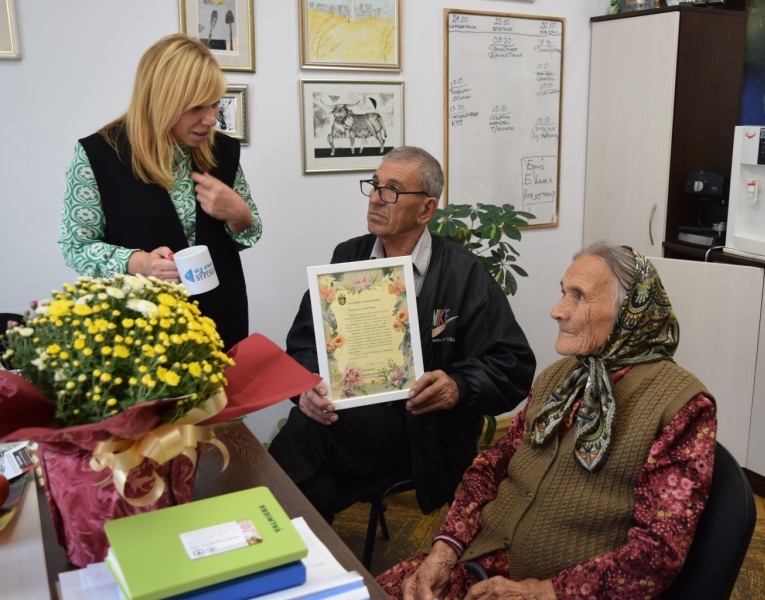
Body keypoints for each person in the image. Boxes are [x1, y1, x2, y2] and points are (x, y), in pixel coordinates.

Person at [377, 243, 718, 600]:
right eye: (562, 292)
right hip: (473, 563)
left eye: (579, 296)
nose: (557, 311)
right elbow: (490, 468)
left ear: (630, 311)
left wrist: (541, 592)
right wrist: (444, 553)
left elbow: (656, 555)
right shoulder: (561, 378)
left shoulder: (683, 406)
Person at [268, 146, 536, 523]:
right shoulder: (348, 256)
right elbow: (304, 341)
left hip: (421, 430)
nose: (376, 198)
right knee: (313, 480)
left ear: (426, 209)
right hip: (347, 424)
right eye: (375, 185)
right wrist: (306, 388)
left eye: (392, 190)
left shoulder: (464, 274)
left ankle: (255, 525)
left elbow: (513, 364)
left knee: (308, 433)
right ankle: (294, 549)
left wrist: (457, 386)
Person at [58, 33, 261, 350]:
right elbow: (75, 245)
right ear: (160, 100)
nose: (211, 118)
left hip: (221, 323)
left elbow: (249, 233)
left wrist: (239, 215)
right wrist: (140, 263)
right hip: (142, 338)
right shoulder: (98, 156)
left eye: (215, 102)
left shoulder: (222, 151)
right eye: (196, 107)